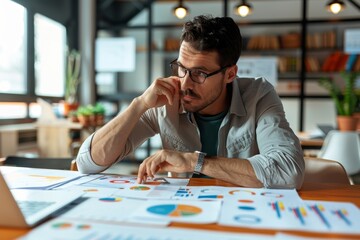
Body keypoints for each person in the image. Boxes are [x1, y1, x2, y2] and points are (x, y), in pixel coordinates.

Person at [76, 15, 304, 189]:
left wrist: (196, 162)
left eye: (200, 74)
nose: (185, 83)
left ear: (230, 74)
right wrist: (139, 105)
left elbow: (287, 170)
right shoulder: (166, 98)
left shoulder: (258, 95)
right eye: (182, 68)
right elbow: (88, 163)